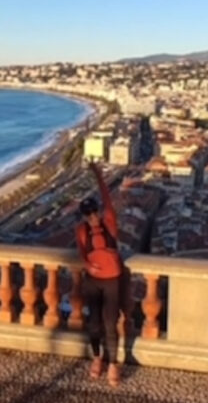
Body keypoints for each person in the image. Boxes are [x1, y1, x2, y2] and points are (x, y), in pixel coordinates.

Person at [75, 161, 123, 387]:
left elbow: (107, 197)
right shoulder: (81, 230)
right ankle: (97, 358)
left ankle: (113, 364)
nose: (92, 216)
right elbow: (81, 253)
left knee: (110, 324)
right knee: (94, 323)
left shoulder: (109, 222)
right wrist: (87, 265)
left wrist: (97, 174)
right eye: (88, 213)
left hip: (112, 280)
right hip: (93, 281)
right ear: (84, 215)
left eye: (94, 211)